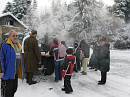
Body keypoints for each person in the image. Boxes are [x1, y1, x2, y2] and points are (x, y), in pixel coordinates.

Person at [0, 30, 22, 97]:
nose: (15, 37)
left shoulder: (18, 46)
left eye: (16, 35)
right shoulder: (4, 45)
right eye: (13, 36)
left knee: (13, 90)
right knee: (6, 93)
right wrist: (1, 71)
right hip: (7, 74)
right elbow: (0, 59)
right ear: (9, 36)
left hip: (15, 74)